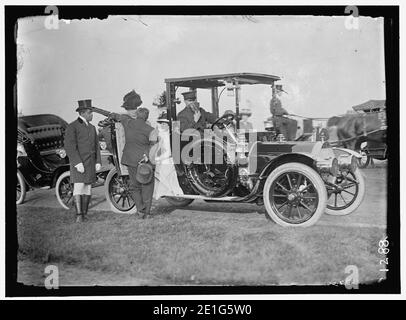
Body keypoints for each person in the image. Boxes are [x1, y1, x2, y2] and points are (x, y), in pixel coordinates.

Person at [109, 90, 156, 218]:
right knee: (147, 185)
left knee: (134, 186)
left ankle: (140, 210)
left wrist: (112, 115)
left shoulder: (127, 121)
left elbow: (116, 116)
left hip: (130, 159)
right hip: (144, 160)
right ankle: (146, 212)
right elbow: (152, 145)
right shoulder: (149, 126)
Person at [64, 99, 101, 223]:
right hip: (79, 163)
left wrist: (98, 162)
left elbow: (96, 147)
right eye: (90, 113)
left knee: (88, 188)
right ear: (83, 113)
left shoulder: (92, 127)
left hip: (90, 163)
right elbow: (70, 147)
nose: (92, 115)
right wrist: (77, 163)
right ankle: (79, 215)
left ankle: (85, 214)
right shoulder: (72, 126)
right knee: (79, 187)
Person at [151, 112, 184, 200]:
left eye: (165, 124)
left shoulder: (170, 135)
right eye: (161, 124)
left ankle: (174, 192)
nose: (163, 125)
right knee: (162, 175)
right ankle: (165, 192)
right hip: (162, 158)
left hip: (168, 158)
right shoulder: (159, 134)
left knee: (170, 174)